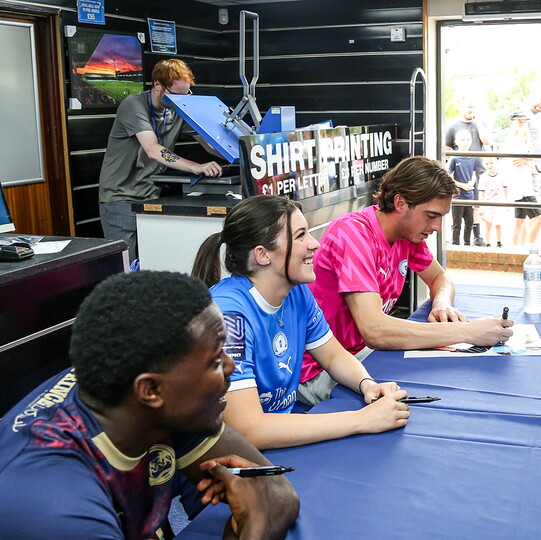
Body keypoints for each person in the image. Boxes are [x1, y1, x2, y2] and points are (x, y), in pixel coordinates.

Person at [0, 271, 299, 539]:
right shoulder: (57, 507)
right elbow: (265, 505)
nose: (231, 366)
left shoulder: (158, 399)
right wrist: (254, 527)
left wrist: (257, 519)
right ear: (151, 390)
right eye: (214, 360)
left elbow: (276, 492)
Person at [192, 195, 410, 448]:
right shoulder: (228, 315)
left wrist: (367, 384)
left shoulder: (296, 292)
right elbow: (249, 429)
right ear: (262, 254)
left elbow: (332, 356)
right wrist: (361, 420)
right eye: (300, 236)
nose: (314, 244)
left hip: (279, 431)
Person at [301, 156, 514, 402]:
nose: (438, 226)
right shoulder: (353, 234)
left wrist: (441, 303)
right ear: (400, 203)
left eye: (441, 216)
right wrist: (467, 332)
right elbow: (375, 331)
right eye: (431, 215)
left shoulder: (407, 234)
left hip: (363, 354)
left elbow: (440, 277)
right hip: (321, 368)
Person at [98, 59, 223, 260]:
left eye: (186, 94)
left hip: (152, 196)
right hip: (121, 198)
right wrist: (196, 167)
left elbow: (209, 145)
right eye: (176, 95)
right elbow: (153, 150)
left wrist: (245, 154)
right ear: (158, 85)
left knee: (154, 262)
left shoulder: (177, 108)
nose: (181, 101)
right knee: (125, 267)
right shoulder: (133, 105)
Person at [503, 109, 541, 247]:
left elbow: (531, 159)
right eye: (520, 122)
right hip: (522, 187)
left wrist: (527, 159)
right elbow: (526, 159)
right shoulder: (512, 139)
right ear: (511, 122)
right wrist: (527, 159)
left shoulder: (521, 138)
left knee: (519, 220)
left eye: (524, 122)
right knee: (539, 218)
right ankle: (529, 247)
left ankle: (516, 250)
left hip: (522, 183)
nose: (523, 125)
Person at [447, 130, 482, 246]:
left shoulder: (473, 157)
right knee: (457, 224)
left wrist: (471, 183)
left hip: (469, 196)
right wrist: (461, 185)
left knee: (469, 223)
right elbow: (448, 176)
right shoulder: (454, 158)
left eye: (467, 140)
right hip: (458, 196)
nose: (465, 142)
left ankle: (467, 244)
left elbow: (474, 174)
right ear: (456, 142)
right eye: (462, 140)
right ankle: (455, 244)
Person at [477, 157, 509, 248]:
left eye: (491, 163)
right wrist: (481, 206)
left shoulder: (501, 175)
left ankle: (499, 242)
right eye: (487, 164)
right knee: (488, 225)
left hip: (498, 203)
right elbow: (481, 192)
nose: (489, 166)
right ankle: (488, 243)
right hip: (487, 204)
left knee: (498, 224)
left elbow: (505, 189)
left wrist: (506, 203)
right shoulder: (483, 177)